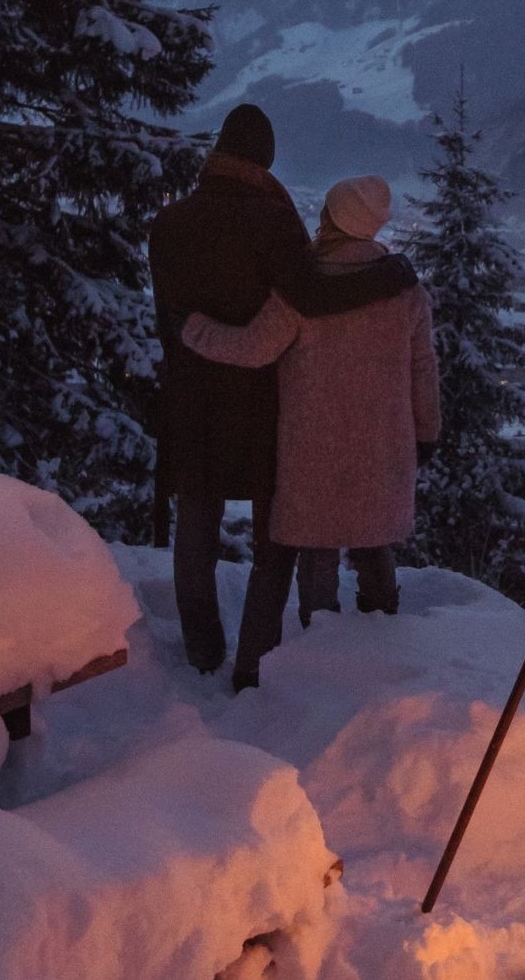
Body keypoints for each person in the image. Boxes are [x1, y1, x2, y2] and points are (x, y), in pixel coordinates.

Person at [149, 106, 415, 691]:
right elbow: (313, 300)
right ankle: (258, 658)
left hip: (191, 400)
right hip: (263, 403)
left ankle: (201, 650)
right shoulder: (275, 222)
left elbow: (168, 316)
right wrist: (391, 277)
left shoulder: (169, 223)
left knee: (195, 523)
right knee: (276, 535)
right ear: (265, 160)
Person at [180, 174, 439, 636]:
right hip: (383, 446)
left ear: (333, 218)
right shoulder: (406, 292)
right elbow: (423, 371)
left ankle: (319, 651)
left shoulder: (302, 290)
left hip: (313, 446)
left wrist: (193, 328)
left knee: (318, 550)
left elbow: (253, 349)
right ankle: (385, 644)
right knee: (374, 541)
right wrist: (426, 434)